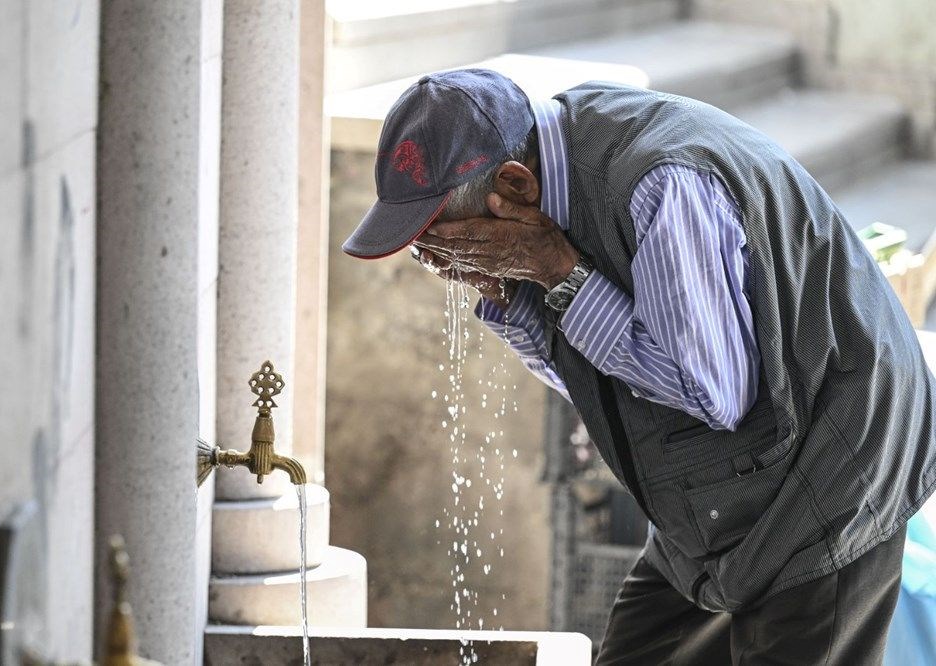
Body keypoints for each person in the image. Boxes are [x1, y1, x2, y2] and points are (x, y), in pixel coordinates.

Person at [341, 68, 936, 664]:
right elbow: (606, 376)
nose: (442, 262)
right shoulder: (548, 177)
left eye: (450, 240)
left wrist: (559, 273)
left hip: (830, 466)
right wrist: (518, 290)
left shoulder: (659, 185)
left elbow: (714, 392)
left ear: (515, 185)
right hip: (709, 495)